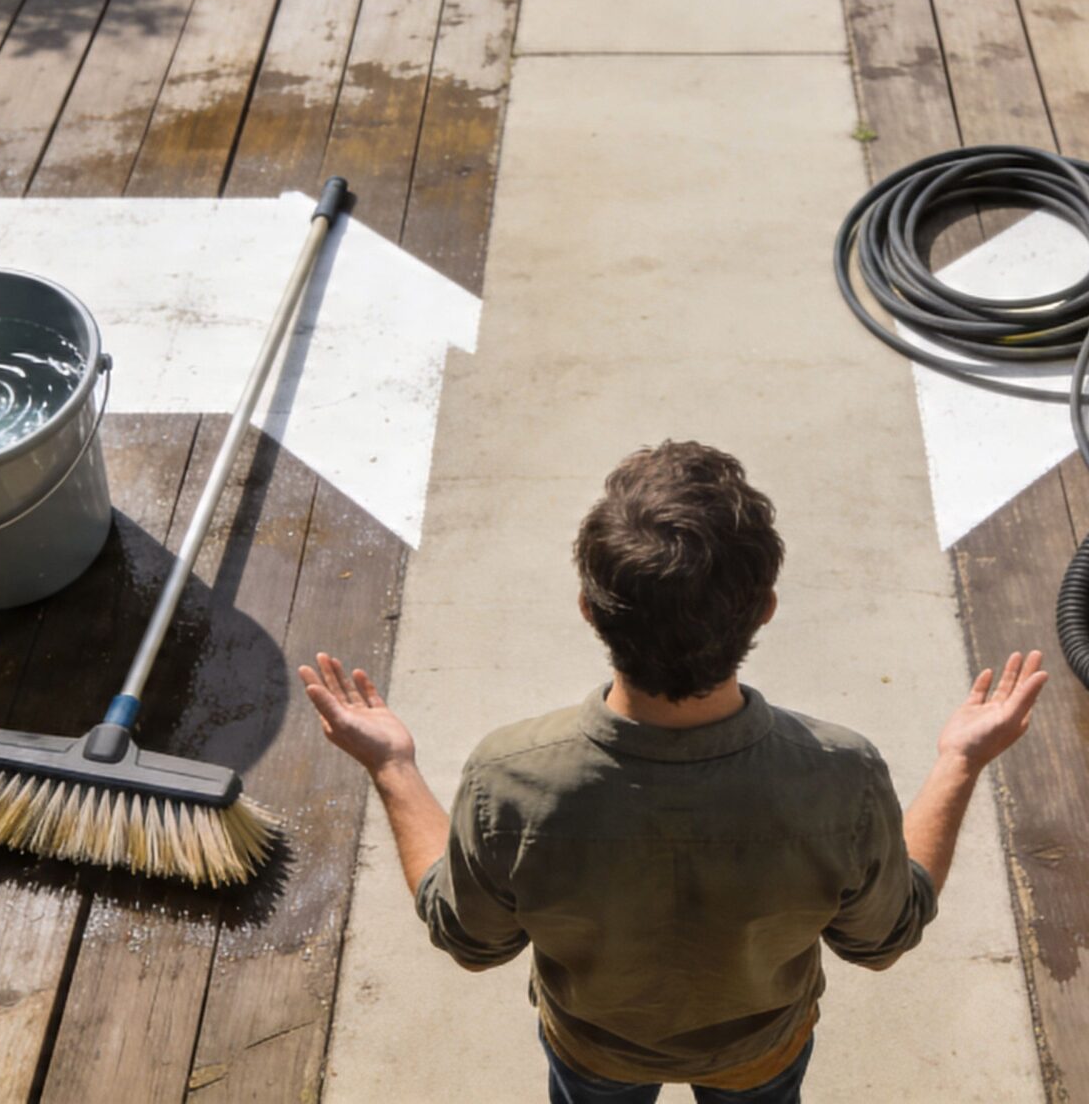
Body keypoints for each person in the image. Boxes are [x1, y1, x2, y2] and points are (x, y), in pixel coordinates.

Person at [300, 440, 1047, 1103]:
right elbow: (882, 939)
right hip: (761, 1053)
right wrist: (960, 760)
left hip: (594, 1051)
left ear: (590, 609)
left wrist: (392, 766)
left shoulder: (509, 779)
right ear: (765, 608)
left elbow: (470, 940)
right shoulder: (840, 776)